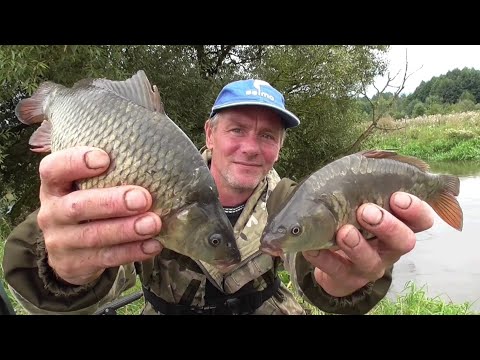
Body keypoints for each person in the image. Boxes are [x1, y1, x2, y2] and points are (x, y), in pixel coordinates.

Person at [2, 79, 434, 315]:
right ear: (209, 133)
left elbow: (313, 269)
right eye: (237, 129)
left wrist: (345, 282)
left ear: (280, 146)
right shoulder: (151, 179)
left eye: (268, 134)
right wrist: (62, 269)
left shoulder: (293, 200)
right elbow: (96, 279)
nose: (252, 146)